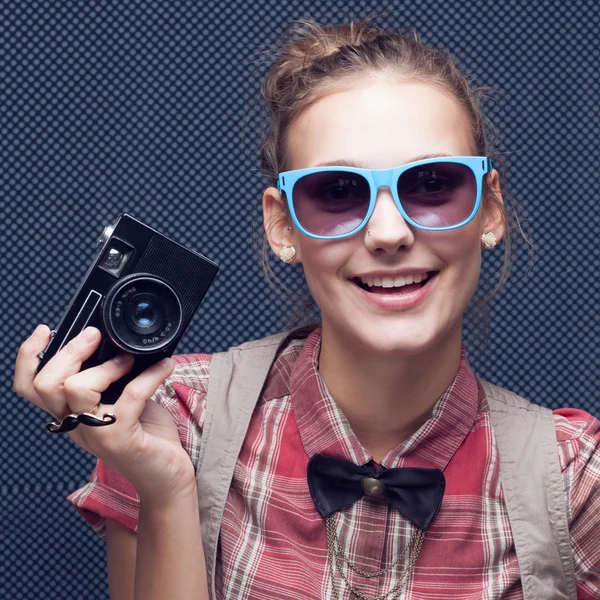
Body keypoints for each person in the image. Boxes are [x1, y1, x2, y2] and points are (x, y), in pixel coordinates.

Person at [13, 17, 600, 600]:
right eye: (338, 193)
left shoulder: (574, 480)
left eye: (432, 183)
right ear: (281, 225)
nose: (389, 233)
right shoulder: (170, 422)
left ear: (489, 211)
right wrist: (167, 490)